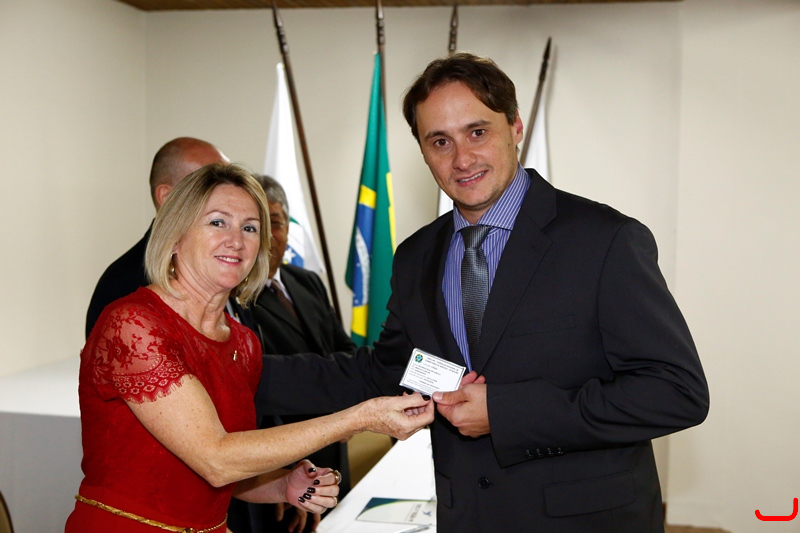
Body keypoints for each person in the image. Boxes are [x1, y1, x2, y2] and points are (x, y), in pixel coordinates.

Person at [257, 53, 709, 532]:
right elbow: (384, 371)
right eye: (440, 141)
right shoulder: (416, 257)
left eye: (477, 132)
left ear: (515, 126)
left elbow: (675, 392)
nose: (462, 159)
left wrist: (505, 412)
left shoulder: (604, 240)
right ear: (423, 151)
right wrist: (234, 369)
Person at [65, 163, 434, 532]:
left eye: (250, 227)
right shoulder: (133, 326)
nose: (236, 240)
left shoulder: (242, 342)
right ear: (174, 235)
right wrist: (359, 419)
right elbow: (215, 459)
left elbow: (221, 473)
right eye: (217, 222)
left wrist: (284, 484)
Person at [227, 175, 357, 533]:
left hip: (334, 453)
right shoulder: (236, 300)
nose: (270, 237)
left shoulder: (307, 281)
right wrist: (283, 475)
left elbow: (344, 349)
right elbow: (263, 388)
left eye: (277, 223)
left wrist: (349, 413)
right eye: (258, 226)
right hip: (283, 466)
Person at [85, 137, 230, 338]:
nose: (229, 195)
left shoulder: (227, 264)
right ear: (167, 197)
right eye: (209, 185)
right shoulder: (127, 284)